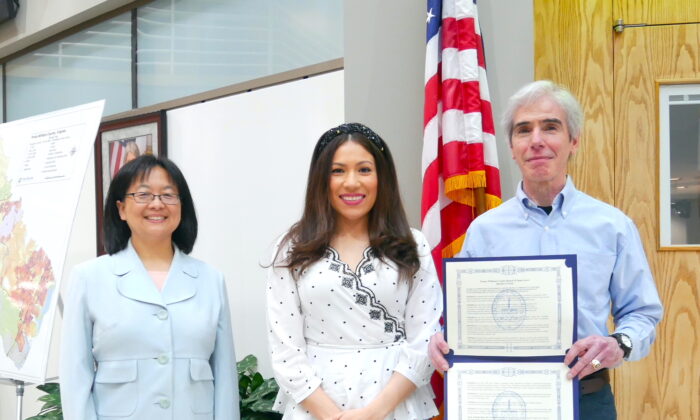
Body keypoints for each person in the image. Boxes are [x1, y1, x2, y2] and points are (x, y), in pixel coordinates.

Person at [429, 80, 663, 419]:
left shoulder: (613, 226)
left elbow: (642, 313)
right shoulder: (484, 231)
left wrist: (620, 344)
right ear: (511, 146)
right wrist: (441, 337)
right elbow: (463, 319)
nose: (536, 140)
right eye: (524, 130)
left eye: (550, 127)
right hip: (500, 400)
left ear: (574, 141)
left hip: (586, 398)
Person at [266, 123, 442, 420]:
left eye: (364, 170)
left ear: (381, 177)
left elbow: (423, 340)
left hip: (395, 406)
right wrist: (333, 417)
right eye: (337, 171)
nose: (351, 182)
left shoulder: (414, 246)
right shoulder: (291, 250)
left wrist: (374, 413)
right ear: (321, 179)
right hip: (314, 408)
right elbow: (285, 350)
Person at [60, 155, 239, 420]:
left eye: (168, 195)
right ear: (121, 209)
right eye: (143, 195)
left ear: (181, 206)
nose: (157, 204)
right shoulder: (89, 278)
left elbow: (224, 376)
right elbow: (75, 376)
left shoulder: (210, 279)